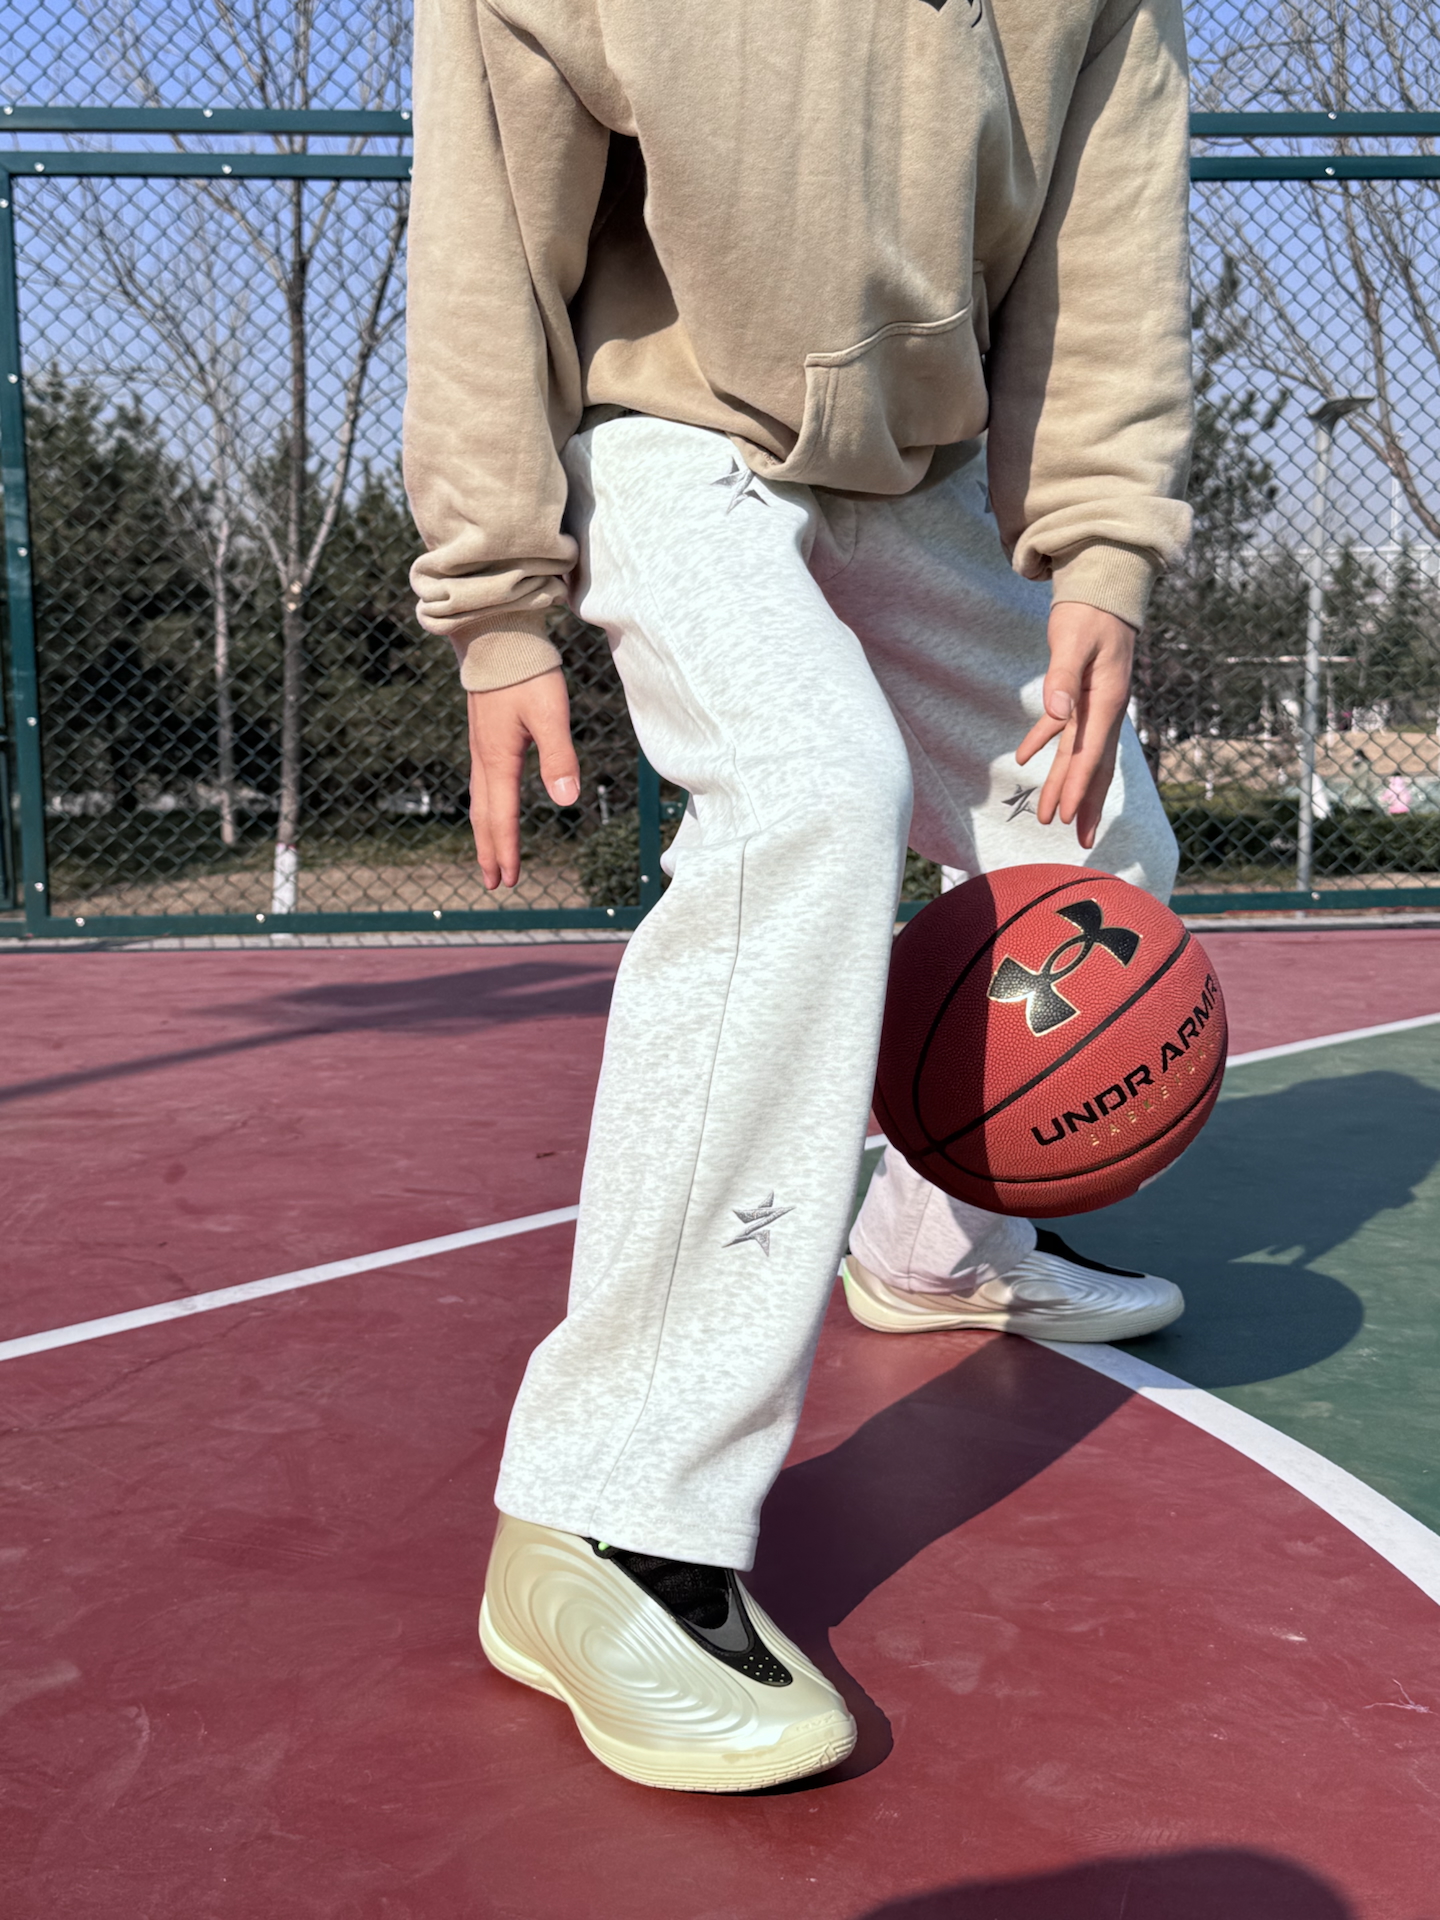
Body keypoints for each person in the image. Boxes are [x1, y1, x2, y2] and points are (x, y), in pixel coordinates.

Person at [404, 0, 1193, 1792]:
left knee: (1097, 848)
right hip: (665, 428)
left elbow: (1110, 230)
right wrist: (497, 601)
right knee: (809, 799)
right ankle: (605, 1512)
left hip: (918, 473)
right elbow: (485, 232)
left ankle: (935, 1250)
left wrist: (1101, 544)